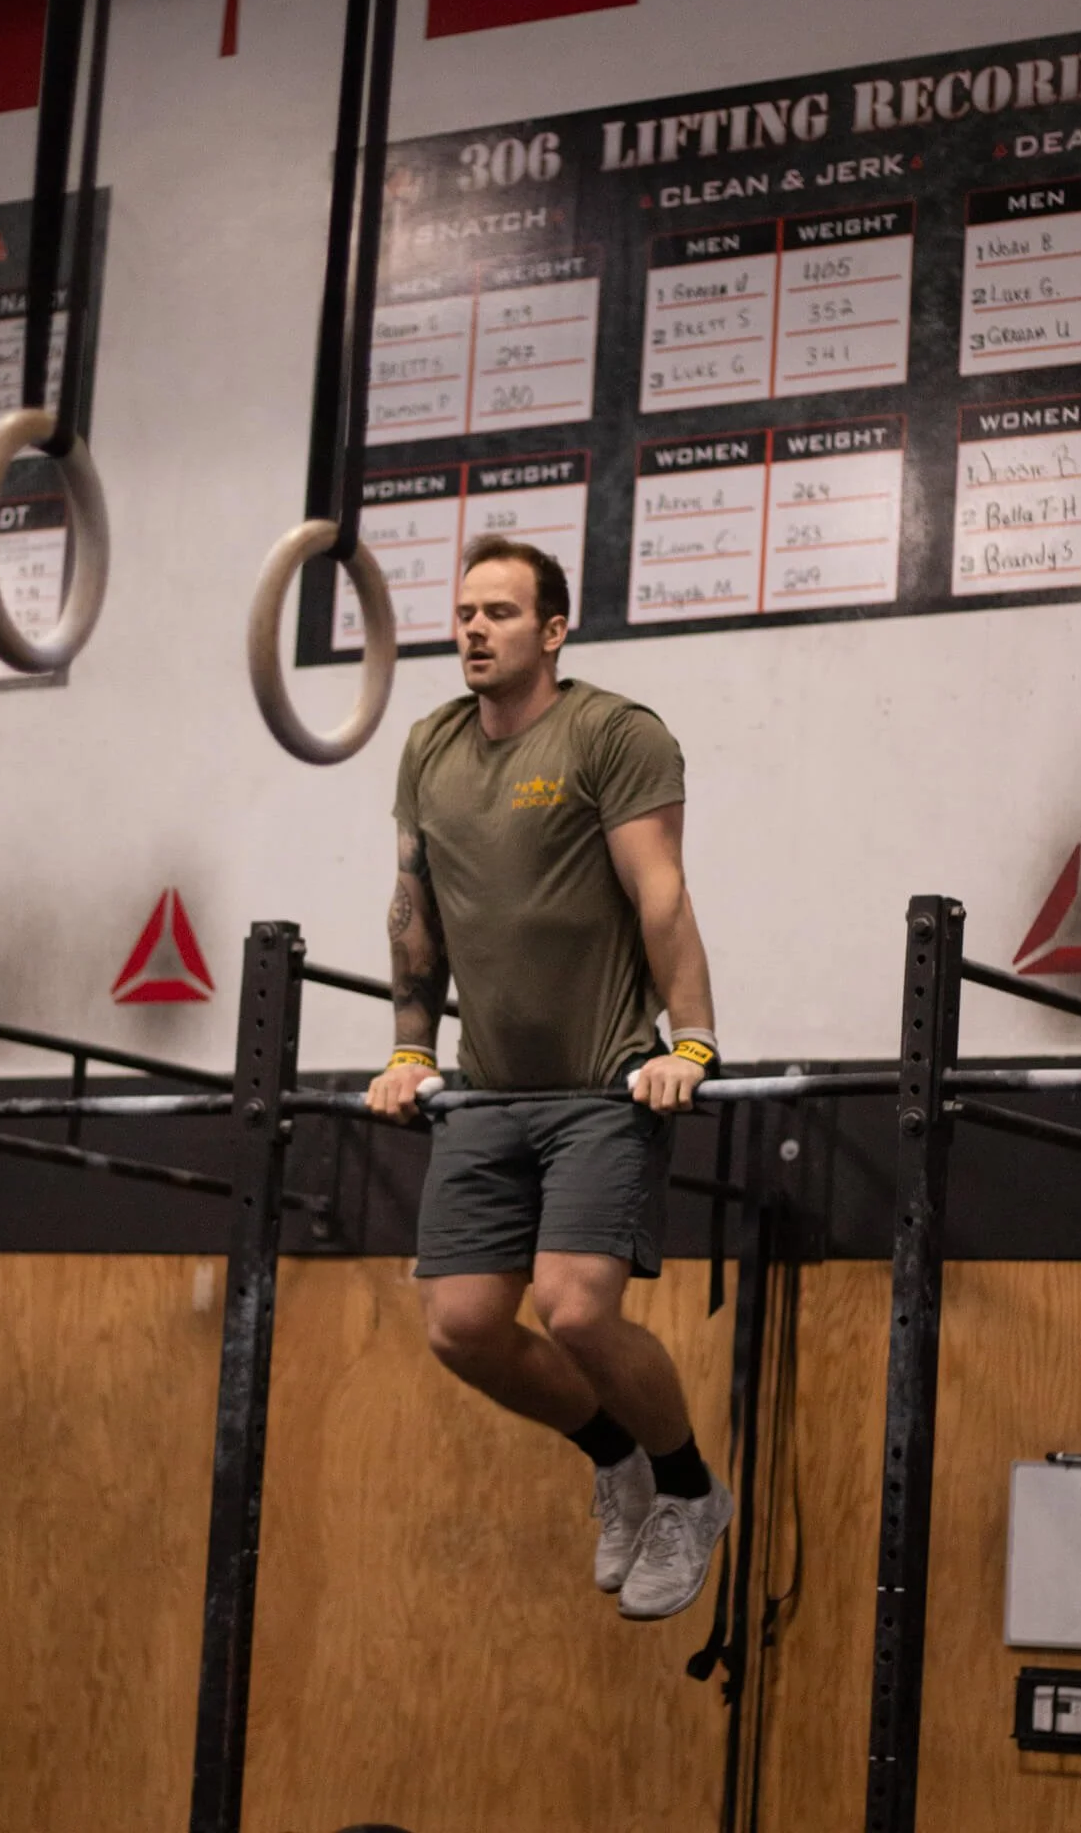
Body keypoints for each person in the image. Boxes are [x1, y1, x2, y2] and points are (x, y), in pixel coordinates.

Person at [366, 535, 731, 1620]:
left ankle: (686, 1488)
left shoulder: (611, 734)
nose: (473, 629)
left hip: (602, 1084)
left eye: (500, 612)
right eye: (465, 611)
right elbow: (411, 915)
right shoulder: (430, 746)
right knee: (463, 1328)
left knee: (574, 1311)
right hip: (485, 1089)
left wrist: (693, 1042)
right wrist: (408, 1046)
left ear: (553, 629)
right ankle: (614, 1453)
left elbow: (659, 892)